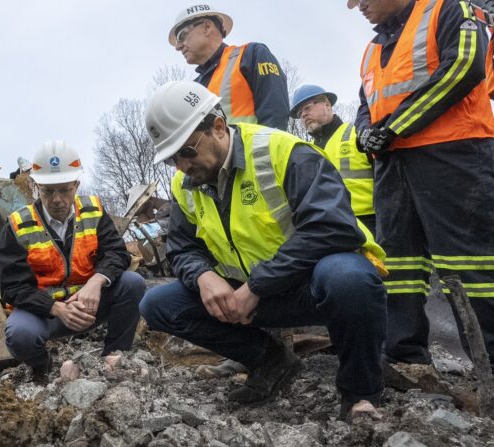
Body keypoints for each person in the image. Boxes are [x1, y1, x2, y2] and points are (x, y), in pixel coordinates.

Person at [140, 80, 388, 419]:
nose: (182, 166)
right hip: (250, 298)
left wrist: (258, 285)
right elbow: (182, 248)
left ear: (217, 126)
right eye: (172, 159)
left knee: (349, 279)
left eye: (187, 151)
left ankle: (360, 393)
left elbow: (333, 227)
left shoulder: (284, 153)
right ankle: (270, 361)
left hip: (309, 287)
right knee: (158, 304)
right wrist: (203, 276)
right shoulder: (185, 185)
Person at [353, 0, 494, 369]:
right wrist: (365, 133)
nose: (359, 7)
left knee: (468, 263)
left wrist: (393, 128)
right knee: (399, 263)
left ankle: (490, 361)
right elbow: (365, 103)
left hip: (452, 154)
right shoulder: (371, 49)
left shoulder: (450, 9)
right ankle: (404, 355)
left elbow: (464, 68)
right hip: (392, 163)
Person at [0, 141, 145, 381]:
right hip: (45, 313)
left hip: (89, 305)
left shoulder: (93, 211)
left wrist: (96, 282)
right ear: (36, 186)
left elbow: (117, 253)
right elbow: (13, 288)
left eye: (64, 190)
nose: (56, 199)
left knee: (133, 283)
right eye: (48, 191)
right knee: (20, 334)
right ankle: (42, 366)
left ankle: (114, 358)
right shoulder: (18, 224)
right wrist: (56, 308)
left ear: (76, 184)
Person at [168, 3, 289, 130]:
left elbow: (275, 117)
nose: (178, 47)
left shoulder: (251, 55)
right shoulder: (194, 88)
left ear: (207, 27)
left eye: (182, 36)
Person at [290, 84, 376, 235]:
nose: (303, 115)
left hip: (369, 222)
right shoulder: (306, 151)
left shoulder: (356, 134)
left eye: (308, 108)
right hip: (327, 226)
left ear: (327, 105)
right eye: (300, 112)